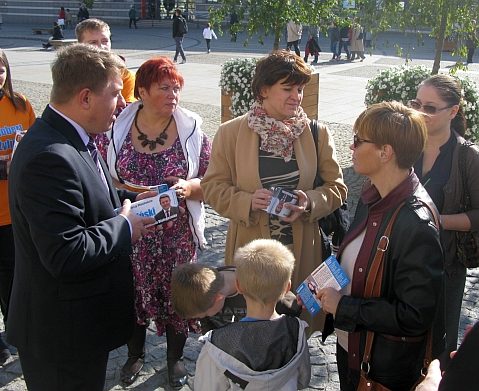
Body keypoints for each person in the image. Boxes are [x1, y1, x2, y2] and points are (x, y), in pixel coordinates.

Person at [7, 44, 155, 391]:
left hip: (80, 327)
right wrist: (124, 226)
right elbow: (65, 252)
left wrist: (135, 199)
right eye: (117, 94)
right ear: (85, 97)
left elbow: (96, 197)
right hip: (61, 336)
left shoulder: (76, 137)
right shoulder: (49, 157)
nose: (123, 104)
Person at [200, 50, 347, 335]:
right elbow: (212, 188)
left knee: (297, 327)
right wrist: (247, 201)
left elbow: (338, 188)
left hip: (302, 251)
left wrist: (310, 201)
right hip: (252, 250)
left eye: (300, 89)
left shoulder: (317, 133)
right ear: (263, 90)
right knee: (252, 327)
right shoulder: (231, 133)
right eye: (287, 88)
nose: (296, 96)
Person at [317, 101, 445, 391]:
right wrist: (317, 287)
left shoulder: (415, 223)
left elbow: (416, 315)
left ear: (386, 152)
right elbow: (357, 260)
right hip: (352, 347)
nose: (351, 147)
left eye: (358, 141)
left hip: (380, 369)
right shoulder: (372, 194)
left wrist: (345, 307)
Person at [101, 56, 211, 387]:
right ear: (143, 91)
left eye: (176, 88)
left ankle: (175, 359)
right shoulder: (116, 128)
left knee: (179, 295)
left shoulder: (192, 131)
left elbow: (215, 182)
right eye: (165, 88)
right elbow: (104, 177)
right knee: (134, 293)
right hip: (132, 232)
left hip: (177, 234)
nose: (173, 95)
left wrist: (189, 187)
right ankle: (135, 355)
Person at [411, 74, 479, 370]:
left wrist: (437, 220)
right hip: (402, 259)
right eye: (417, 104)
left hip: (446, 267)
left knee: (440, 347)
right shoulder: (407, 145)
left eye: (430, 107)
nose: (420, 113)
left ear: (453, 111)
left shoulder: (468, 157)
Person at [0, 42, 35, 362]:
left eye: (1, 70)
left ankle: (16, 326)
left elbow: (37, 142)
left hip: (15, 209)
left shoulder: (20, 104)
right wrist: (2, 168)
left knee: (14, 271)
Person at [194, 239, 311, 391]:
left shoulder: (217, 344)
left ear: (239, 286)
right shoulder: (297, 331)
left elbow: (206, 387)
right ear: (287, 288)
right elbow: (303, 379)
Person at [171, 263, 301, 334]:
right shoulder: (205, 294)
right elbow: (208, 326)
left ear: (219, 298)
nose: (201, 318)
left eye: (204, 314)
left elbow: (291, 308)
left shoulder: (257, 287)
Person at [75, 18, 136, 104]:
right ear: (81, 45)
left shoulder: (125, 75)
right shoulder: (70, 74)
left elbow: (128, 111)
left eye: (105, 41)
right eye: (93, 42)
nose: (101, 47)